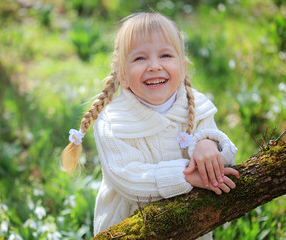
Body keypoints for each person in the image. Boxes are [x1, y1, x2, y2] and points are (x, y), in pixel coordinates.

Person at [62, 12, 239, 240]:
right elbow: (128, 177)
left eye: (165, 55)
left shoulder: (199, 108)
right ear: (123, 76)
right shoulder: (113, 122)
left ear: (183, 67)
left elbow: (226, 165)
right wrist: (186, 176)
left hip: (192, 227)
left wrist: (209, 145)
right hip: (132, 228)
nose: (154, 66)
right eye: (140, 58)